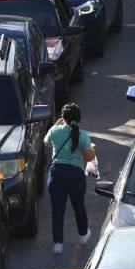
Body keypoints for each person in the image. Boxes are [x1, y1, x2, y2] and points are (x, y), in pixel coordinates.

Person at [44, 103, 95, 255]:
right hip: (76, 175)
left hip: (57, 174)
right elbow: (89, 157)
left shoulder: (54, 130)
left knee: (57, 210)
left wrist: (58, 123)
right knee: (78, 205)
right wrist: (93, 149)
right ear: (78, 119)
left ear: (63, 117)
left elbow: (46, 142)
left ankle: (58, 244)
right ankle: (83, 234)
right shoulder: (83, 135)